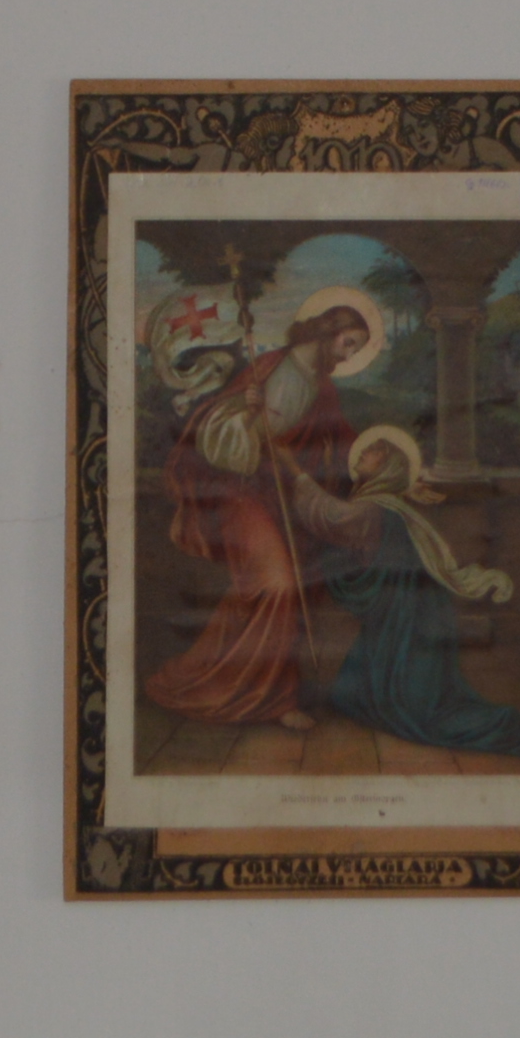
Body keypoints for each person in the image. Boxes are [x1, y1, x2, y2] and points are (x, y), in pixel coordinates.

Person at [141, 300, 368, 729]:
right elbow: (212, 429)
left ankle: (215, 679)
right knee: (278, 584)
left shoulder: (322, 388)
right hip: (238, 491)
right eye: (349, 343)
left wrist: (379, 460)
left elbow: (342, 440)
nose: (348, 355)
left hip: (282, 499)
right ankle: (270, 698)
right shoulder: (267, 367)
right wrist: (244, 412)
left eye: (355, 348)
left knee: (266, 590)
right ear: (327, 333)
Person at [306, 426, 520, 763]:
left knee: (418, 710)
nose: (363, 454)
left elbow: (329, 518)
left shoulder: (376, 508)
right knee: (351, 696)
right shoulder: (387, 505)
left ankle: (502, 725)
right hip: (408, 612)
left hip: (412, 619)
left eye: (372, 451)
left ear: (387, 466)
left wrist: (297, 476)